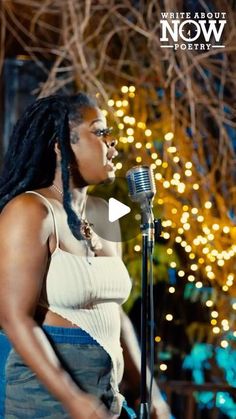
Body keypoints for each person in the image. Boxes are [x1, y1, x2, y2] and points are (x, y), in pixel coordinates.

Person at [0, 93, 170, 418]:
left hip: (107, 396)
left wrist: (151, 393)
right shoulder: (30, 211)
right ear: (61, 145)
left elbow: (115, 314)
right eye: (100, 131)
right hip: (46, 400)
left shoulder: (106, 216)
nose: (113, 143)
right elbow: (14, 316)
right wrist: (71, 397)